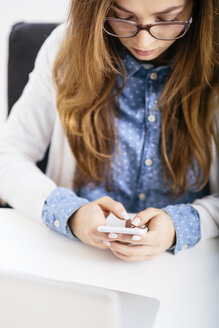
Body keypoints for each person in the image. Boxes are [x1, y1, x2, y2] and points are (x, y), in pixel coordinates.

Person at [0, 0, 218, 262]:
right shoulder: (65, 49)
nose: (144, 43)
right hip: (79, 259)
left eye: (166, 19)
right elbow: (8, 155)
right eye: (123, 17)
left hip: (190, 266)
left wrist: (181, 225)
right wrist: (71, 213)